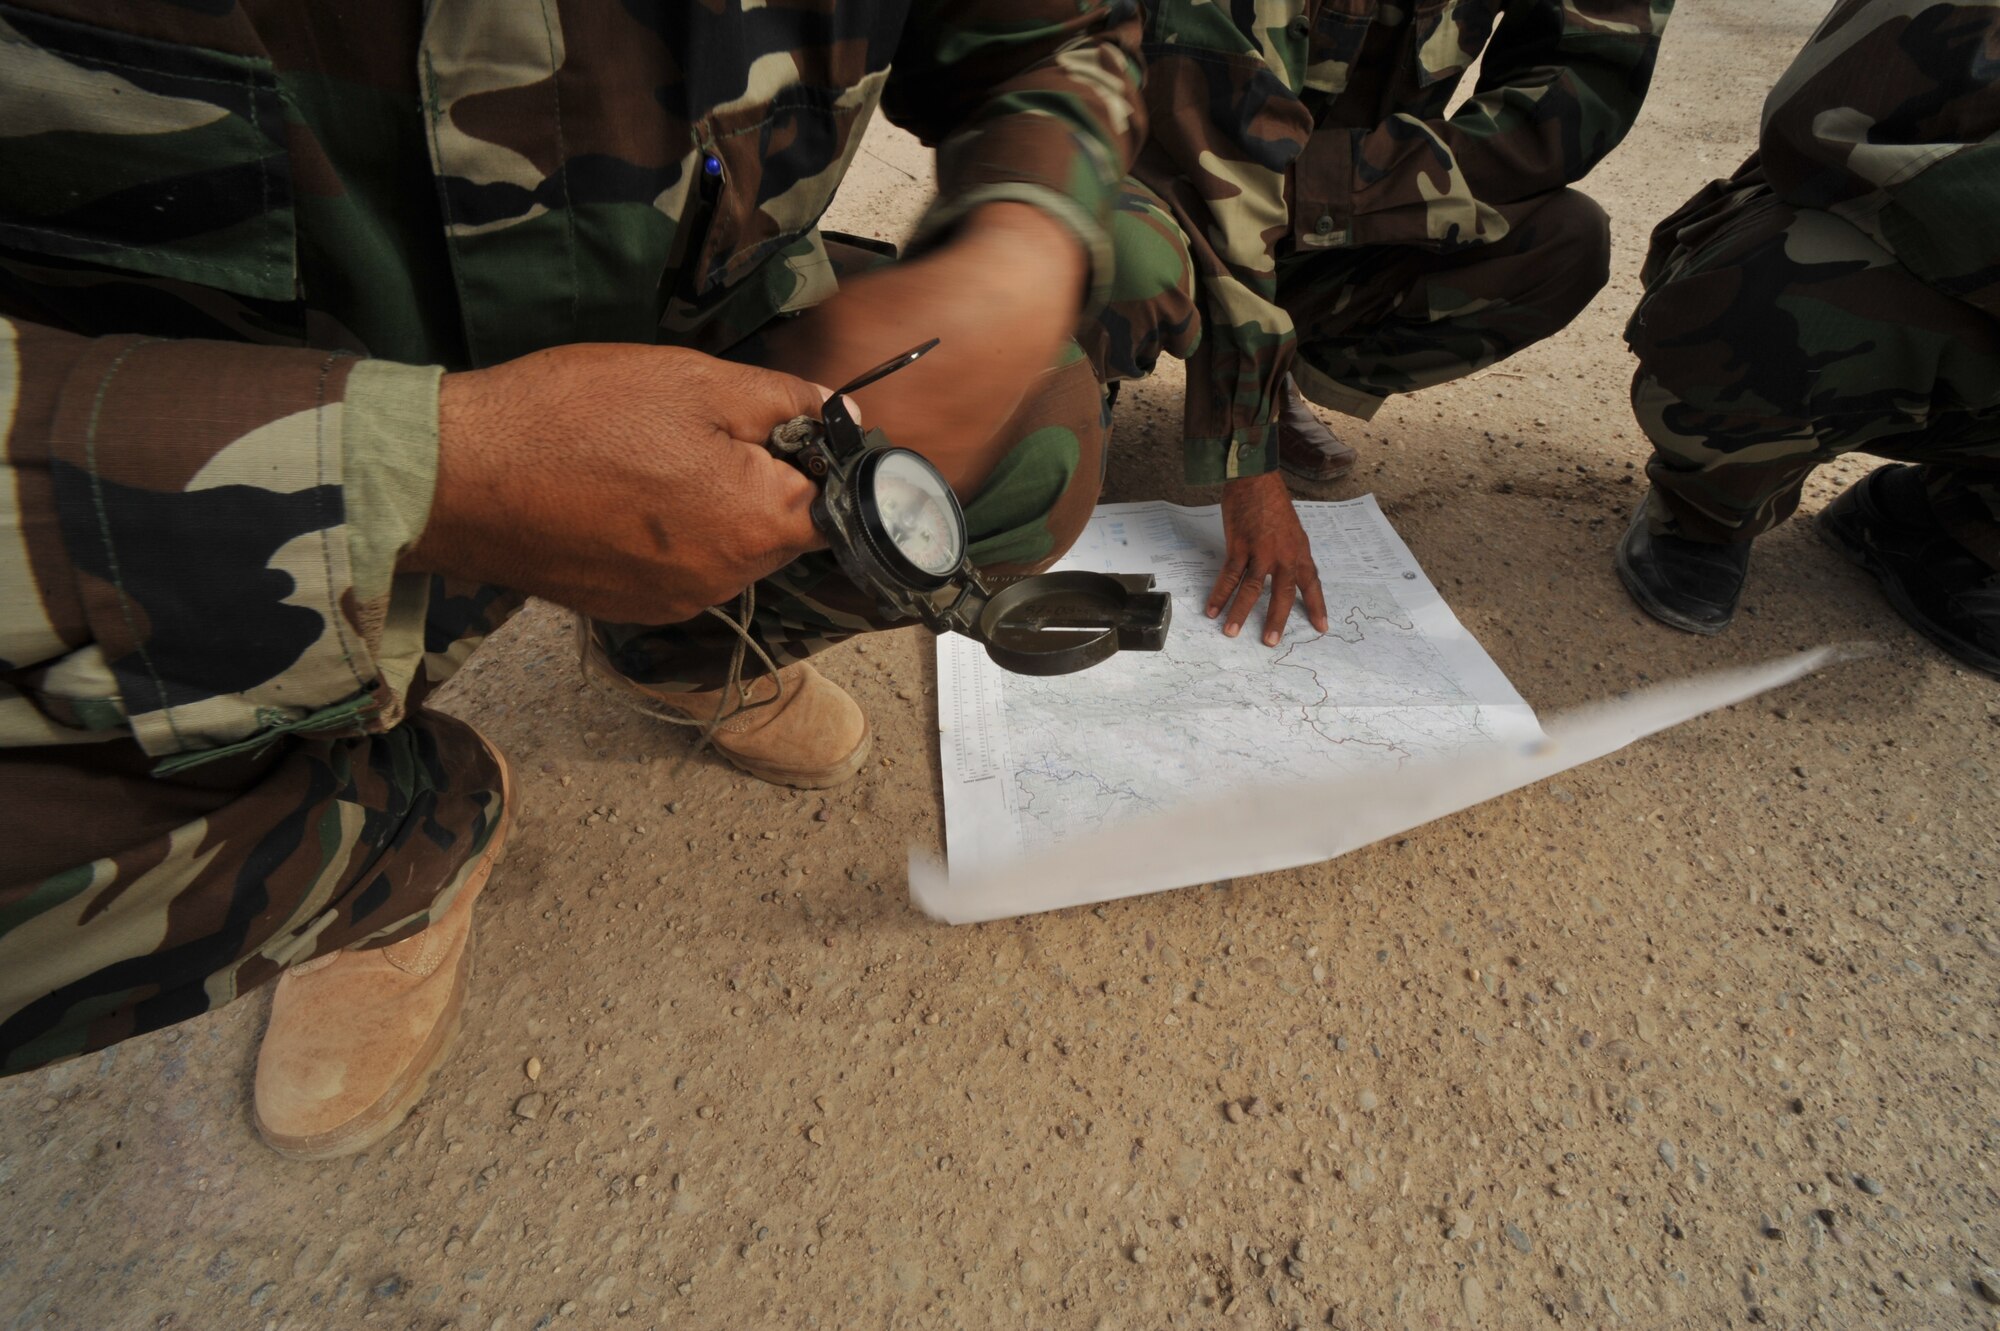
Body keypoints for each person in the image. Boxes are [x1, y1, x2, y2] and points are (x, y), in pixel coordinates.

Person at [0, 1, 1161, 1157]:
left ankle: (678, 646)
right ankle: (386, 843)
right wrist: (423, 470)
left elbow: (1054, 26)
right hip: (214, 479)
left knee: (1033, 435)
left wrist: (1024, 240)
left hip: (697, 358)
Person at [1095, 0, 1673, 647]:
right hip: (1165, 174)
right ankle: (1091, 373)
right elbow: (1208, 147)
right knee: (1125, 253)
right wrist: (1249, 467)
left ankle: (1281, 363)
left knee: (1564, 240)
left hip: (1342, 202)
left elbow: (1568, 102)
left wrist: (1332, 185)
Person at [1615, 0, 2000, 680]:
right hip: (1902, 251)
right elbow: (1820, 129)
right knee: (1783, 292)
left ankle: (1961, 529)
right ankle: (1709, 508)